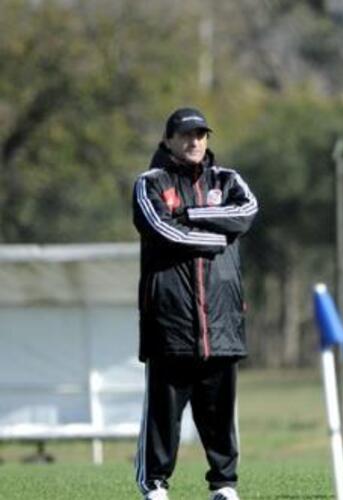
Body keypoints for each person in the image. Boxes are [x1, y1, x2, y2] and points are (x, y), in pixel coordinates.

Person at [132, 108, 258, 500]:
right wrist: (214, 238)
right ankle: (154, 484)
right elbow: (160, 229)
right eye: (186, 135)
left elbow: (246, 213)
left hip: (221, 321)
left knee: (220, 414)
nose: (195, 141)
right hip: (170, 321)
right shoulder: (150, 183)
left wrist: (192, 214)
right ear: (168, 139)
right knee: (163, 417)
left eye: (201, 134)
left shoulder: (228, 179)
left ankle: (223, 484)